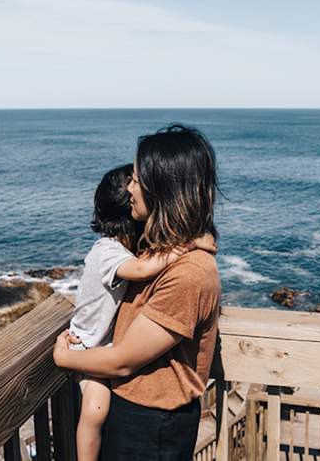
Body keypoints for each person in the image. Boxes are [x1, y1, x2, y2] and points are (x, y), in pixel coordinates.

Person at [54, 124, 221, 460]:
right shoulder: (153, 249)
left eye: (136, 179)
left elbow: (121, 361)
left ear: (163, 188)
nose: (129, 188)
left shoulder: (189, 273)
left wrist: (64, 357)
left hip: (151, 425)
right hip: (133, 411)